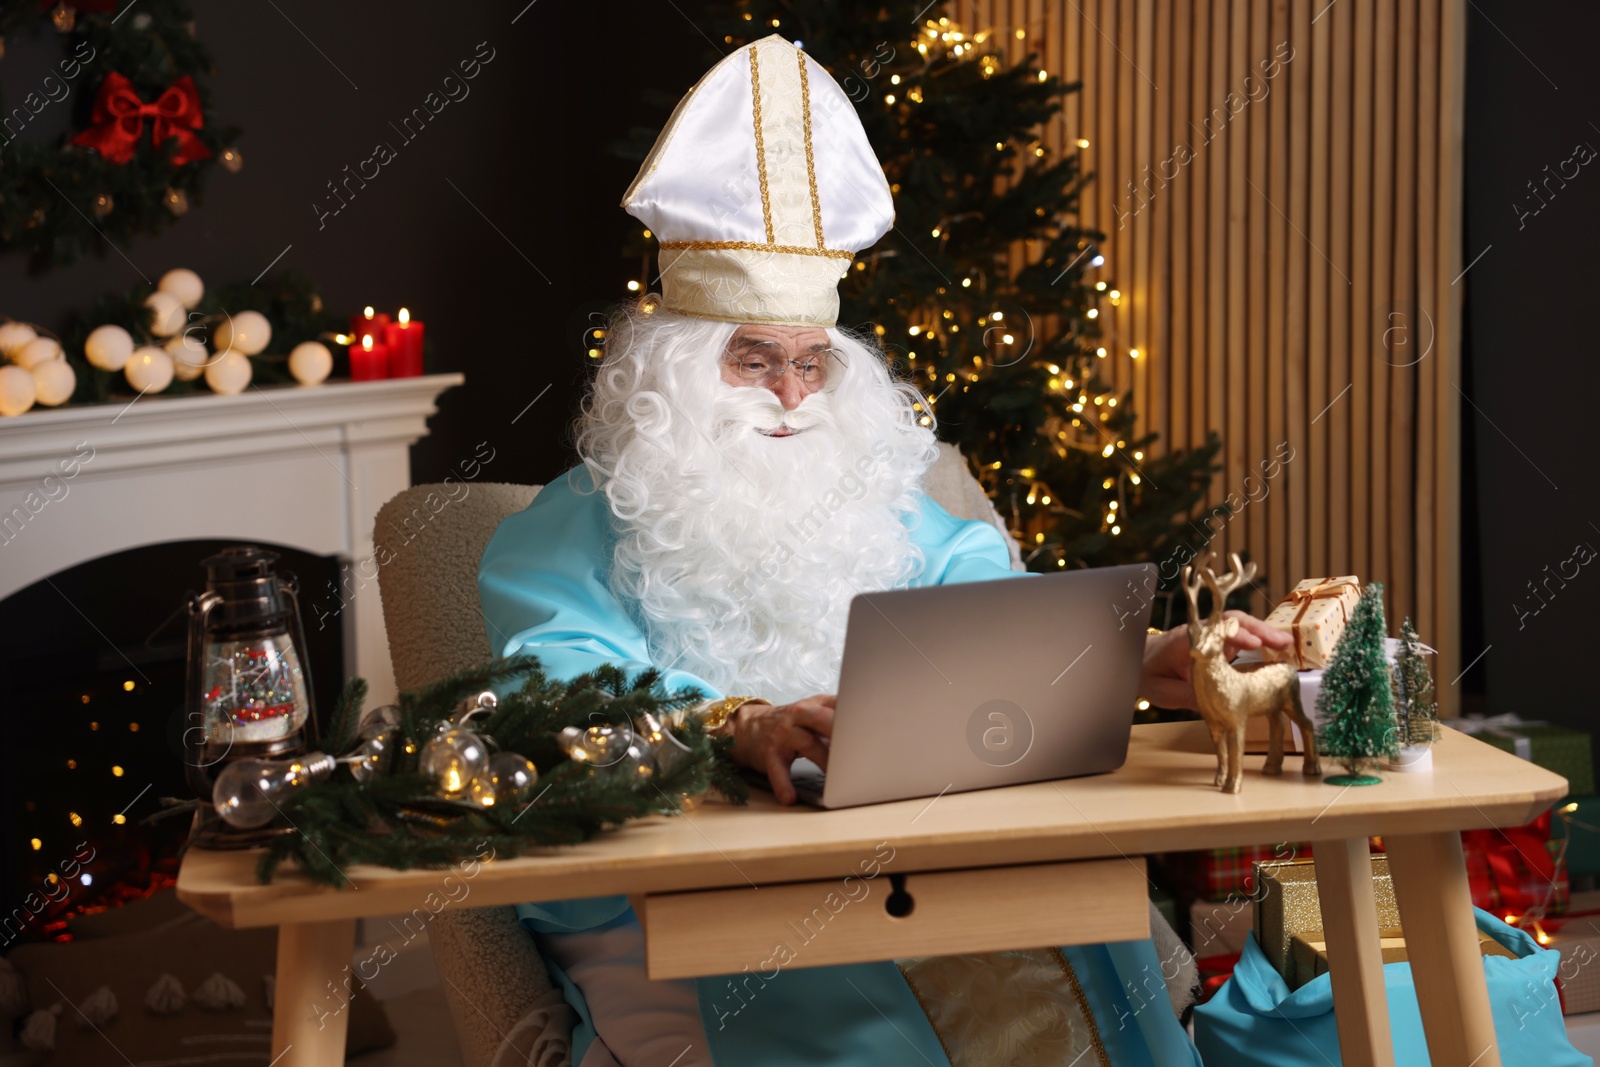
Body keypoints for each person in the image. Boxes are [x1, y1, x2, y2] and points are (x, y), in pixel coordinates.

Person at [478, 35, 1292, 1067]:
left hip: (918, 848)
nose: (788, 396)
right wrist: (739, 722)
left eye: (812, 363)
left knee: (1069, 912)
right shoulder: (556, 531)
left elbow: (985, 615)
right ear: (676, 371)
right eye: (755, 361)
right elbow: (558, 690)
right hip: (695, 876)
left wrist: (1135, 660)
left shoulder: (876, 499)